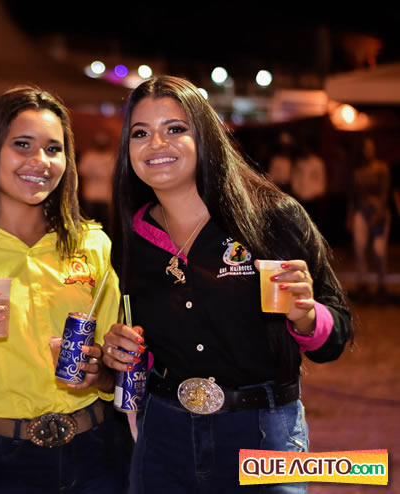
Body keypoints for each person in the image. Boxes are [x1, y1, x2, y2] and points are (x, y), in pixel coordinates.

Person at [101, 76, 353, 493]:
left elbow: (335, 336)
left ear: (205, 137)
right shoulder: (132, 237)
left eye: (175, 129)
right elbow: (147, 340)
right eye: (140, 133)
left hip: (264, 434)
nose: (156, 144)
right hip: (164, 436)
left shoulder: (272, 218)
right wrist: (121, 349)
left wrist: (307, 317)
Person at [0, 86, 133, 493]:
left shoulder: (92, 244)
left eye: (53, 149)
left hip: (100, 450)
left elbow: (115, 373)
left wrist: (103, 373)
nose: (40, 161)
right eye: (22, 144)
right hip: (12, 458)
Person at [348, 137, 391, 303]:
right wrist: (350, 217)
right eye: (365, 148)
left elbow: (385, 193)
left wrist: (378, 214)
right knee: (359, 248)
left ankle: (381, 286)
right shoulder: (357, 171)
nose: (368, 151)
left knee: (379, 250)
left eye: (370, 147)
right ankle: (362, 285)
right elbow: (353, 196)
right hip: (361, 211)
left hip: (379, 212)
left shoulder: (382, 168)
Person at [78, 131, 116, 231]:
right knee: (89, 221)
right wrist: (95, 173)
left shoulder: (110, 156)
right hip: (91, 194)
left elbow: (113, 172)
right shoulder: (89, 156)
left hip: (105, 196)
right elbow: (82, 170)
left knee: (105, 222)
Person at [290, 140, 327, 222]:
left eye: (307, 148)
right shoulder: (299, 162)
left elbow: (321, 179)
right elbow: (295, 177)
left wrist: (318, 194)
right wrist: (295, 190)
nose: (305, 150)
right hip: (300, 197)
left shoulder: (317, 162)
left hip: (313, 198)